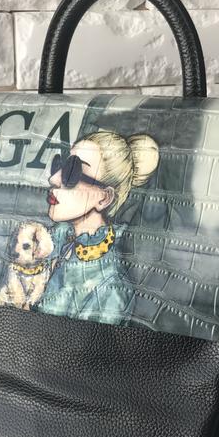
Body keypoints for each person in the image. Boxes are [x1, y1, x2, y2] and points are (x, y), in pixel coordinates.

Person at [34, 130, 160, 327]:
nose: (54, 179)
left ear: (104, 198)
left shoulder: (110, 288)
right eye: (61, 165)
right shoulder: (53, 240)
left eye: (72, 172)